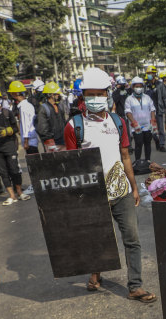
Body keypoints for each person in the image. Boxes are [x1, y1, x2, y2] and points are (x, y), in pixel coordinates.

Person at [63, 68, 156, 303]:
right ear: (82, 96)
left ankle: (135, 285)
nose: (94, 99)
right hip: (93, 194)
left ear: (107, 94)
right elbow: (71, 165)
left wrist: (134, 187)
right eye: (89, 94)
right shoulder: (74, 126)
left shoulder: (118, 122)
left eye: (99, 94)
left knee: (132, 239)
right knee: (97, 238)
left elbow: (125, 156)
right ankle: (96, 274)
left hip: (121, 191)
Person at [125, 77, 157, 161]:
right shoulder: (129, 99)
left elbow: (152, 109)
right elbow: (128, 112)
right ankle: (138, 162)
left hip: (147, 125)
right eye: (136, 86)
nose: (138, 88)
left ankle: (148, 161)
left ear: (143, 87)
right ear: (133, 87)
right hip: (137, 126)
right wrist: (133, 122)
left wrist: (153, 121)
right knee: (138, 144)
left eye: (140, 86)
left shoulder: (147, 97)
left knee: (148, 143)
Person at [8, 81, 39, 155]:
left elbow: (26, 125)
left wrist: (26, 141)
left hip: (29, 141)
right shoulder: (28, 105)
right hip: (32, 138)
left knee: (33, 161)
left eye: (11, 94)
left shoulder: (23, 108)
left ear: (15, 94)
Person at [144, 65, 166, 152]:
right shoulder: (145, 85)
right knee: (152, 129)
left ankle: (162, 145)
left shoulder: (160, 84)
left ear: (155, 73)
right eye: (148, 73)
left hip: (158, 109)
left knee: (161, 129)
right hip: (148, 112)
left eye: (151, 73)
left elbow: (165, 98)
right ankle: (157, 141)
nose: (149, 74)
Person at [36, 82, 67, 152]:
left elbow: (64, 123)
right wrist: (50, 141)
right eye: (57, 94)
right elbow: (42, 129)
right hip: (52, 143)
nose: (59, 95)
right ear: (52, 95)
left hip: (63, 142)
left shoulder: (60, 106)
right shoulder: (43, 108)